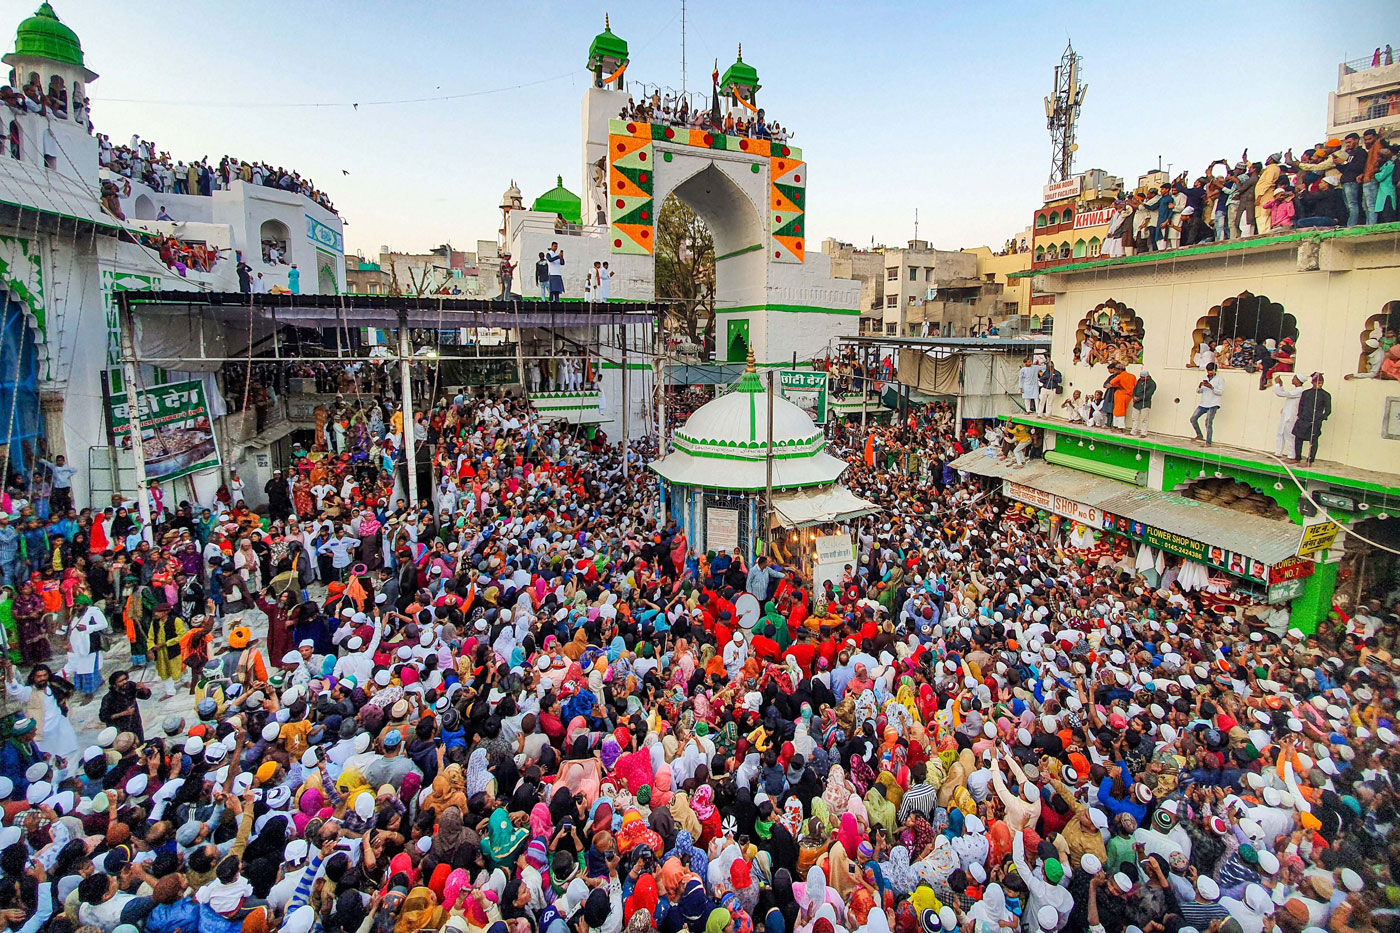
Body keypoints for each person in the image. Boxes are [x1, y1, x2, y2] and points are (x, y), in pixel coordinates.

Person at [1290, 371, 1332, 465]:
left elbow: (1328, 410)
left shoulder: (1326, 395)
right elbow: (1301, 406)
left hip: (1315, 421)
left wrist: (1320, 418)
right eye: (1318, 382)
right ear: (1313, 382)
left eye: (1321, 382)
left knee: (1313, 441)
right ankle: (1297, 458)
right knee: (1298, 438)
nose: (1319, 384)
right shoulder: (1306, 393)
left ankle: (1310, 461)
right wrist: (1300, 416)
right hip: (1303, 419)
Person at [1190, 362, 1224, 446]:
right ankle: (1199, 435)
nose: (1209, 373)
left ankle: (1208, 442)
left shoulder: (1220, 379)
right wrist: (1200, 386)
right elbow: (1198, 391)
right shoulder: (1204, 378)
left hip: (1213, 403)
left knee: (1208, 422)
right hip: (1204, 403)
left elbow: (1220, 392)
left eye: (1211, 371)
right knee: (1193, 418)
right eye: (1208, 371)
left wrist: (1211, 387)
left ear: (1215, 370)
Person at [1273, 373, 1304, 457]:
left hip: (1291, 416)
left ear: (1298, 381)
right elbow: (1283, 393)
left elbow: (1281, 394)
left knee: (1289, 435)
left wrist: (1277, 385)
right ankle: (1278, 452)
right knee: (1280, 433)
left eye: (1294, 378)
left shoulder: (1299, 391)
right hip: (1286, 414)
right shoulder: (1295, 390)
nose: (1292, 379)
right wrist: (1281, 385)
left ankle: (1291, 455)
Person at [1129, 368, 1154, 437]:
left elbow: (1148, 394)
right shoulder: (1139, 380)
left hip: (1145, 403)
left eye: (1143, 377)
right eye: (1141, 377)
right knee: (1134, 418)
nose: (1141, 378)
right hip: (1136, 403)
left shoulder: (1152, 384)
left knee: (1144, 419)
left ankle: (1143, 433)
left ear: (1147, 377)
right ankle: (1133, 431)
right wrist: (1134, 397)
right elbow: (1135, 389)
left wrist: (1139, 398)